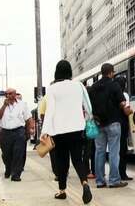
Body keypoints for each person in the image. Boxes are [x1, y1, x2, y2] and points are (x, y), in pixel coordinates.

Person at [40, 60, 92, 204]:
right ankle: (85, 183)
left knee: (62, 161)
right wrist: (87, 119)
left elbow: (49, 111)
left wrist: (44, 131)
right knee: (78, 159)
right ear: (70, 71)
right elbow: (88, 107)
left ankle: (62, 191)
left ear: (57, 72)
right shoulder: (79, 85)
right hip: (77, 129)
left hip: (59, 131)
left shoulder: (52, 89)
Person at [89, 63, 128, 188]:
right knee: (113, 152)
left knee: (99, 152)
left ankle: (100, 181)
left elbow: (89, 106)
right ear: (111, 73)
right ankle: (114, 180)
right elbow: (122, 102)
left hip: (99, 123)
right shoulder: (114, 84)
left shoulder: (94, 87)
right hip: (113, 122)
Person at [0, 88, 34, 182]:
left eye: (10, 93)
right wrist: (4, 106)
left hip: (19, 132)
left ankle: (16, 174)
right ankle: (8, 168)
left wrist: (28, 132)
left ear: (15, 94)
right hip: (5, 132)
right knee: (6, 154)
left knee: (18, 153)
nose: (8, 96)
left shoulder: (22, 104)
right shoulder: (0, 104)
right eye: (6, 94)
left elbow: (28, 119)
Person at [115, 76, 133, 181]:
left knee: (115, 150)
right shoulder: (124, 94)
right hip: (122, 124)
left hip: (114, 123)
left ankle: (116, 173)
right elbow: (126, 111)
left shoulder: (112, 94)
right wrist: (131, 111)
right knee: (122, 150)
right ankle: (122, 174)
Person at [38, 94, 59, 181]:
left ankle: (57, 173)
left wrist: (46, 128)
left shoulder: (46, 97)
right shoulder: (48, 97)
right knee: (63, 150)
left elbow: (42, 114)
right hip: (63, 129)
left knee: (53, 152)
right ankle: (62, 171)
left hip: (52, 130)